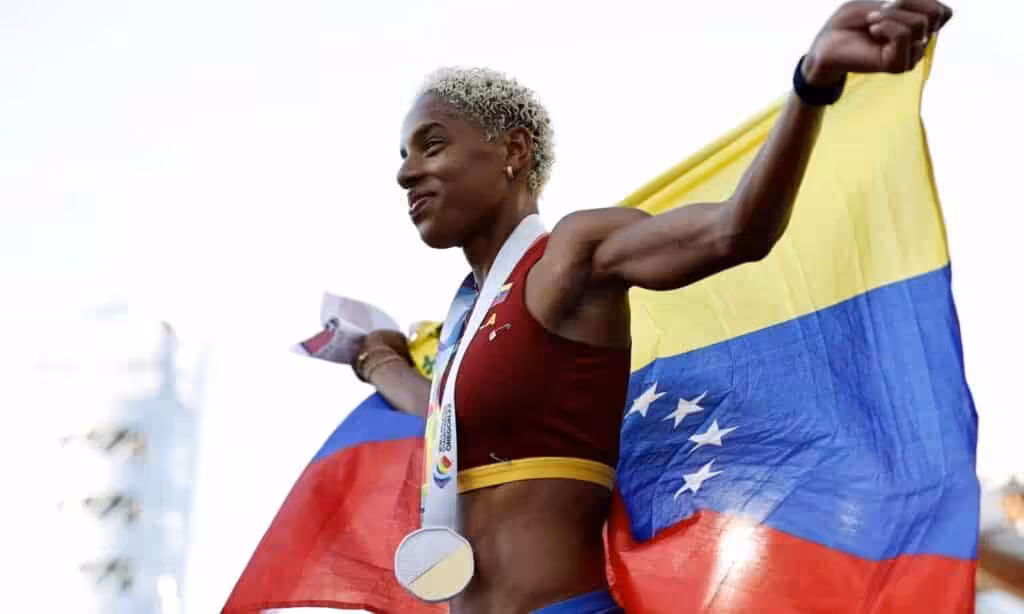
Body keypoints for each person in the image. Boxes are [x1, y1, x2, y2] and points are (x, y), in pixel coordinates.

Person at [351, 2, 953, 612]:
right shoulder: (465, 327)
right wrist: (374, 355)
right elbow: (432, 409)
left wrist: (813, 81)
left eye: (430, 146)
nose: (406, 174)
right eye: (402, 156)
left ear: (513, 150)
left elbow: (734, 232)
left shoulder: (571, 255)